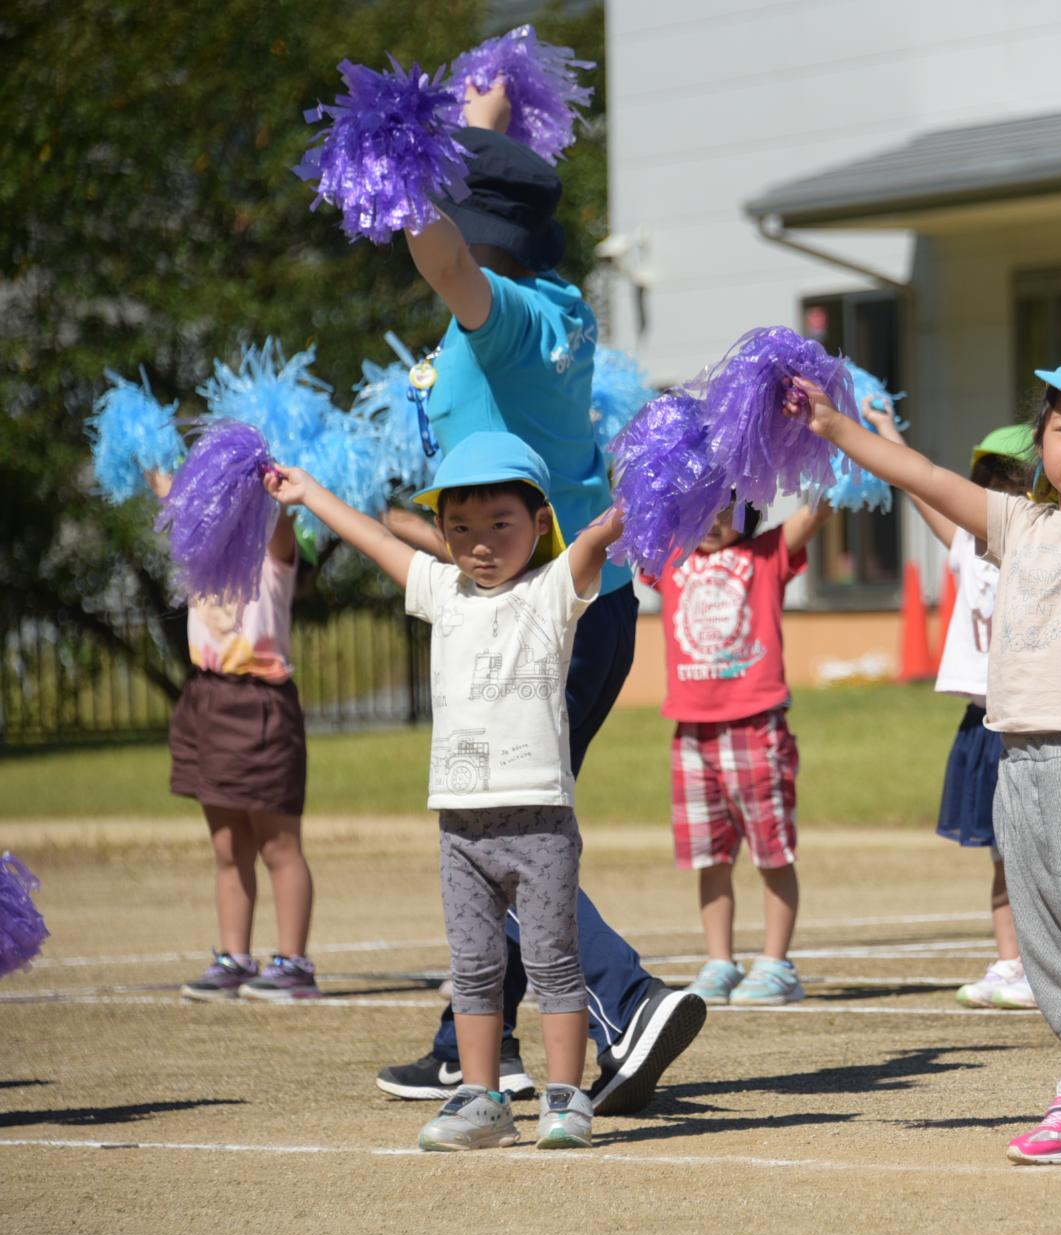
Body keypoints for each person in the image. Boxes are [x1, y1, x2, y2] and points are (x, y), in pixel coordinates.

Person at [791, 345, 1061, 1167]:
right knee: (1051, 951)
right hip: (1017, 761)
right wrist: (833, 425)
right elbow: (919, 472)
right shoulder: (1017, 522)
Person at [369, 77, 702, 1113]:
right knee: (508, 813)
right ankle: (469, 1042)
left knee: (502, 826)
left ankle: (626, 996)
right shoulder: (553, 310)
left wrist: (396, 164)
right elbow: (486, 232)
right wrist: (477, 138)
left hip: (539, 619)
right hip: (576, 607)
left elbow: (449, 257)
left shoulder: (503, 316)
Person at [272, 433, 622, 1149]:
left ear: (539, 521)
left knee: (554, 961)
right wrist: (309, 494)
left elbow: (598, 535)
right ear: (442, 533)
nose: (481, 543)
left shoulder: (552, 591)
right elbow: (375, 540)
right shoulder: (442, 590)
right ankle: (480, 1097)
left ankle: (565, 1098)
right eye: (460, 528)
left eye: (501, 523)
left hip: (540, 820)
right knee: (473, 968)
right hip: (461, 827)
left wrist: (646, 495)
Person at [883, 412, 1038, 1010]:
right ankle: (1010, 964)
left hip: (1036, 720)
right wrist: (888, 434)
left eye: (1015, 481)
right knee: (1003, 857)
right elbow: (919, 483)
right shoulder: (968, 545)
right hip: (984, 721)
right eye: (990, 481)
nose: (999, 493)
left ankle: (1058, 965)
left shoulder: (1044, 547)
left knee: (1043, 857)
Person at [655, 495, 829, 1005]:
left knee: (771, 852)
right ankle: (719, 962)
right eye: (698, 508)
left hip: (756, 727)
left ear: (747, 509)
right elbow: (628, 520)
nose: (711, 521)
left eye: (724, 509)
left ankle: (776, 964)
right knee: (709, 855)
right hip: (691, 732)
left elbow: (818, 510)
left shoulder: (766, 553)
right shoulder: (671, 559)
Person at [156, 467, 321, 1004]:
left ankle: (293, 963)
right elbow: (173, 500)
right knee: (228, 845)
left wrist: (259, 480)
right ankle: (234, 957)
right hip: (206, 698)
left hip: (260, 702)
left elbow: (277, 518)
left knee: (278, 843)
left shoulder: (271, 553)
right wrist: (150, 451)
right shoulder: (201, 554)